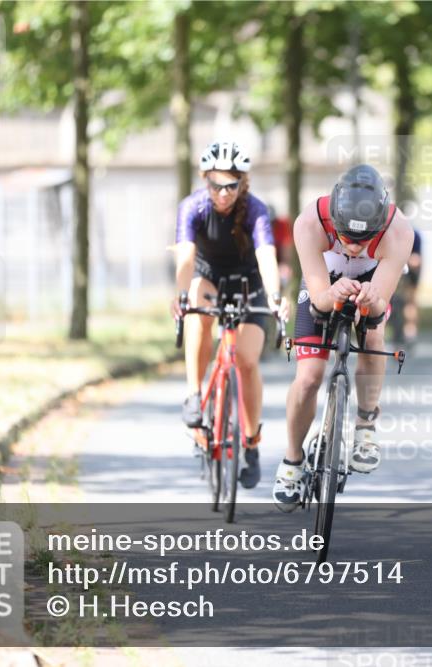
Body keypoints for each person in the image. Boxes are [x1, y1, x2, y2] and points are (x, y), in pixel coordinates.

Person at [273, 164, 414, 512]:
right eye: (346, 237)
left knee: (373, 338)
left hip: (371, 282)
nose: (352, 246)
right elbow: (319, 301)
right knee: (309, 377)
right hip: (324, 281)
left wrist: (371, 300)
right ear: (333, 219)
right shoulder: (309, 222)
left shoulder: (399, 231)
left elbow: (377, 308)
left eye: (362, 240)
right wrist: (331, 295)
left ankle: (365, 425)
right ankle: (292, 459)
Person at [170, 140, 289, 490]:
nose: (223, 194)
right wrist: (180, 295)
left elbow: (266, 255)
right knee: (197, 309)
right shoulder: (192, 207)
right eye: (216, 185)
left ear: (243, 183)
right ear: (205, 179)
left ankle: (251, 442)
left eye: (231, 186)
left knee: (247, 361)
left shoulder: (256, 210)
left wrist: (275, 297)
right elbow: (185, 257)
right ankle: (194, 394)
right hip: (208, 276)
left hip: (248, 282)